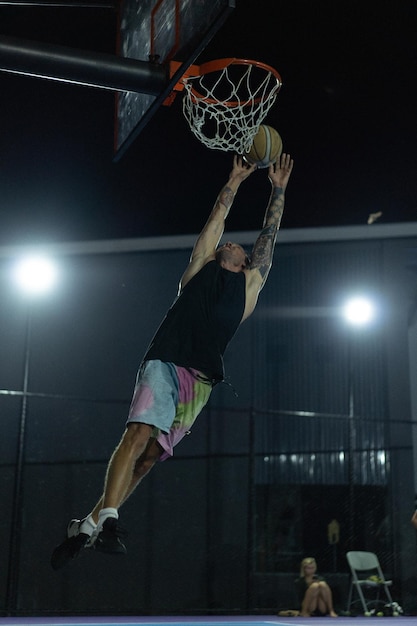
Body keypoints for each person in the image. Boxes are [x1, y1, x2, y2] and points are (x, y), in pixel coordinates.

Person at [51, 152, 294, 570]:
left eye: (234, 245)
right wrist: (234, 181)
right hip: (165, 360)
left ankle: (88, 525)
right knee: (140, 431)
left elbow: (268, 236)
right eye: (224, 243)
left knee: (149, 459)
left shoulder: (250, 287)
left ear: (244, 261)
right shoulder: (200, 267)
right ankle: (109, 519)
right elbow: (216, 219)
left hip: (198, 382)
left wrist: (279, 189)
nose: (228, 242)